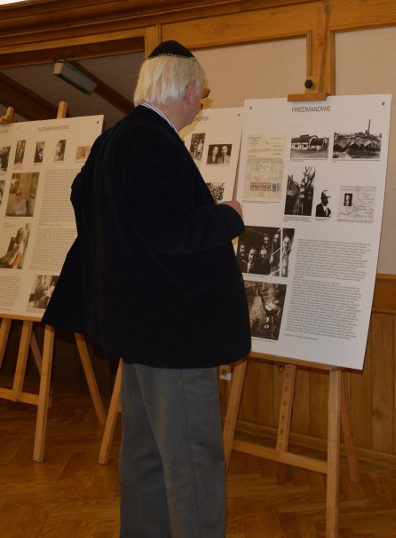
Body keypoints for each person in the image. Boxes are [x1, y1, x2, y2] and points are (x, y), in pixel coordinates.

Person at [42, 40, 251, 538]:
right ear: (185, 89)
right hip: (173, 335)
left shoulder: (115, 137)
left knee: (145, 457)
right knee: (192, 465)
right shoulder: (155, 143)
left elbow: (85, 202)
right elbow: (171, 232)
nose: (202, 103)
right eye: (203, 93)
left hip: (135, 329)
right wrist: (228, 217)